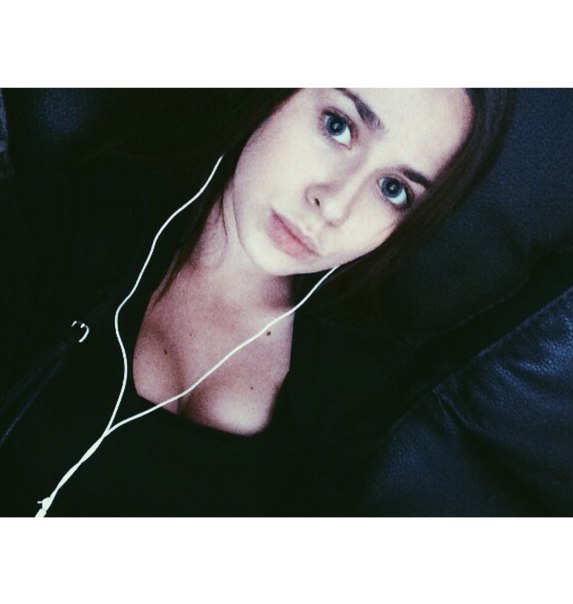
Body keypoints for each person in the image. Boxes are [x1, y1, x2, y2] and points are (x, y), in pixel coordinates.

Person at [0, 88, 512, 516]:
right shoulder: (78, 219)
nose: (334, 206)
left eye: (392, 189)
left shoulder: (355, 383)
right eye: (337, 126)